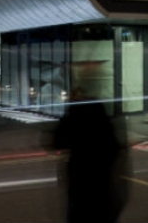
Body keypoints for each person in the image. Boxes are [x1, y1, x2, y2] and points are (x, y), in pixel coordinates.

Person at [53, 87, 129, 223]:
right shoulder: (100, 112)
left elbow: (57, 141)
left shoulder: (73, 114)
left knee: (79, 213)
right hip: (101, 181)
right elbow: (114, 146)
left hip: (79, 179)